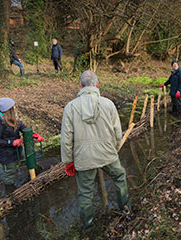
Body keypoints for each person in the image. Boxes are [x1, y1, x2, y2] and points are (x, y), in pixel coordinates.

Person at [61, 71, 131, 229]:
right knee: (119, 177)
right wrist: (113, 150)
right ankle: (126, 210)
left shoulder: (70, 108)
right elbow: (117, 132)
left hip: (83, 158)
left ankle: (88, 225)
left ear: (80, 86)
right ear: (97, 84)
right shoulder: (108, 104)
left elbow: (66, 139)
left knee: (85, 193)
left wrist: (68, 161)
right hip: (107, 154)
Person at [0, 98, 43, 190]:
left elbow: (23, 128)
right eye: (13, 106)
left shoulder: (13, 119)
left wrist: (34, 135)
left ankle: (39, 176)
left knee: (29, 159)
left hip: (17, 150)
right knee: (10, 173)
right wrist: (12, 142)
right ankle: (10, 193)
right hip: (6, 154)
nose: (15, 107)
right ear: (9, 110)